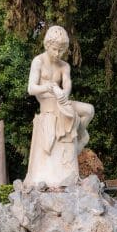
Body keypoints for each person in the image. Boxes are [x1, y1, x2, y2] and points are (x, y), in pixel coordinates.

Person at [23, 26, 94, 188]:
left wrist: (63, 94)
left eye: (61, 51)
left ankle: (80, 137)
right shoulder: (38, 61)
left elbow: (67, 85)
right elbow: (31, 88)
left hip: (62, 103)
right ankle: (76, 139)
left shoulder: (64, 66)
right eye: (55, 50)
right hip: (47, 106)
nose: (58, 54)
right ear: (47, 45)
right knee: (69, 117)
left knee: (89, 110)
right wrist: (48, 87)